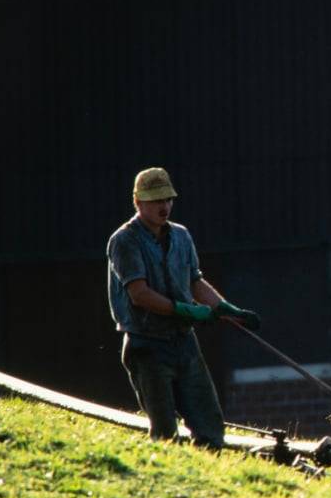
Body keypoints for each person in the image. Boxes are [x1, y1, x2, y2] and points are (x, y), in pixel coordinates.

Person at [106, 167, 259, 448]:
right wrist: (186, 310)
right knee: (164, 433)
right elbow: (139, 294)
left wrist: (226, 308)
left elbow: (194, 282)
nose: (164, 206)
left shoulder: (181, 236)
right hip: (147, 345)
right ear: (138, 203)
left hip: (184, 343)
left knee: (210, 427)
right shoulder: (124, 241)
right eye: (155, 201)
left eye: (167, 199)